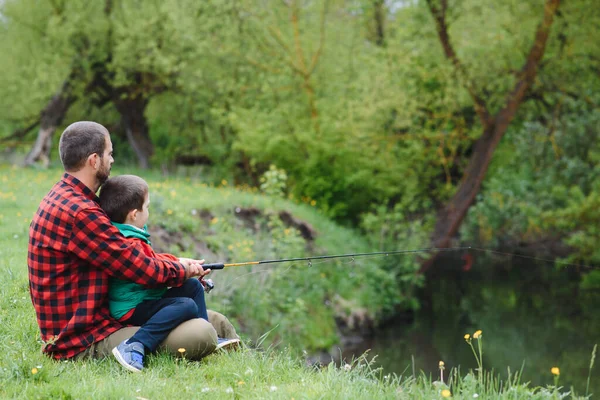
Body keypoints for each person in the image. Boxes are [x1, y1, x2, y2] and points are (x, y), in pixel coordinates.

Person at [28, 121, 239, 372]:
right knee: (203, 331)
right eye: (110, 153)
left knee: (216, 322)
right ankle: (134, 348)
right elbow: (140, 268)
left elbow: (128, 254)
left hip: (102, 316)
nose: (112, 160)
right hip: (82, 338)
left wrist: (178, 266)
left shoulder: (72, 198)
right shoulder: (80, 213)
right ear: (94, 160)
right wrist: (182, 269)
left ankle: (227, 361)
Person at [97, 174, 239, 372]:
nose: (149, 211)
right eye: (147, 207)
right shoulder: (128, 241)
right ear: (134, 214)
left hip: (143, 298)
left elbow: (152, 260)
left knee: (193, 287)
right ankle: (136, 344)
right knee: (186, 305)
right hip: (130, 309)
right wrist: (183, 271)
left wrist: (179, 264)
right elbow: (153, 276)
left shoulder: (129, 232)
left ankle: (209, 335)